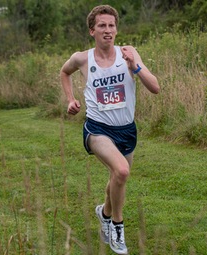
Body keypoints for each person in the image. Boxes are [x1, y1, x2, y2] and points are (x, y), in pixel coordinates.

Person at [60, 5, 160, 254]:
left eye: (112, 25)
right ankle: (117, 227)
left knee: (117, 178)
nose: (108, 30)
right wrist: (70, 100)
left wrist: (135, 66)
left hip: (126, 129)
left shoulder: (128, 53)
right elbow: (64, 72)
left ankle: (103, 213)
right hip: (97, 129)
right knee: (122, 171)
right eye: (102, 26)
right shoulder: (82, 58)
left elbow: (155, 87)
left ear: (116, 29)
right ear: (92, 31)